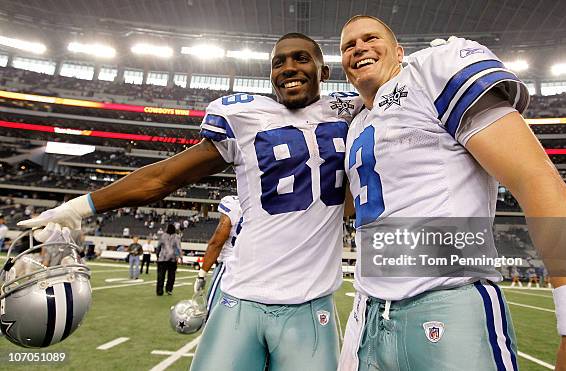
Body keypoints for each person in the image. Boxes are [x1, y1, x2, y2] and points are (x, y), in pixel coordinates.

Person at [18, 32, 361, 371]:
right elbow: (163, 177)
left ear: (324, 72)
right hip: (241, 297)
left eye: (301, 58)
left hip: (310, 305)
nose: (288, 67)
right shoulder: (245, 118)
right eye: (278, 63)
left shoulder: (350, 109)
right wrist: (77, 207)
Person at [338, 15, 566, 371]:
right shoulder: (355, 122)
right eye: (347, 45)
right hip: (368, 314)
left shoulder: (430, 72)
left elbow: (536, 180)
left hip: (447, 305)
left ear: (400, 52)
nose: (358, 47)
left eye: (370, 38)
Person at [196, 195, 242, 321]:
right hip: (255, 268)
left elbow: (217, 242)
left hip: (230, 265)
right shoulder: (266, 203)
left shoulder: (233, 204)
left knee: (212, 314)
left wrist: (202, 273)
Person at [156, 224, 183, 295]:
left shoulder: (163, 236)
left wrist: (157, 254)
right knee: (171, 276)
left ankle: (159, 290)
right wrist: (181, 256)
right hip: (172, 259)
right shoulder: (177, 237)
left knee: (161, 276)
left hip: (163, 258)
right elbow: (178, 247)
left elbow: (158, 246)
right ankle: (169, 289)